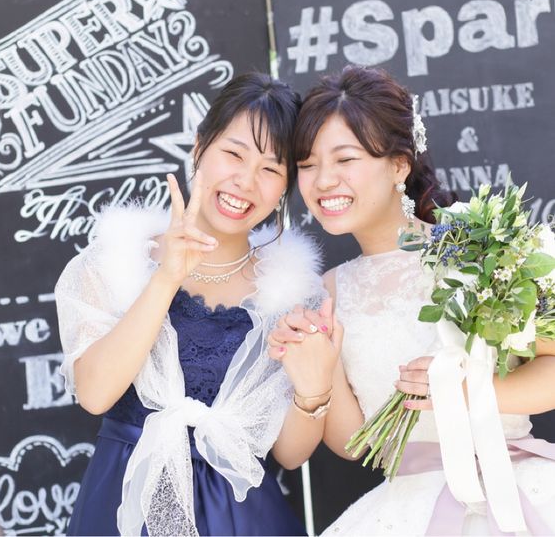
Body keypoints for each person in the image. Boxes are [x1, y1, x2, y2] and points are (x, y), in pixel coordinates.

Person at [268, 65, 555, 535]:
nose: (323, 181)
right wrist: (314, 377)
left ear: (399, 165)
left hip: (519, 489)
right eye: (307, 164)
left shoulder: (483, 252)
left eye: (345, 159)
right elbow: (355, 445)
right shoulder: (328, 292)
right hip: (405, 511)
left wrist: (466, 391)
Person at [55, 72, 329, 536]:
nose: (245, 181)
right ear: (200, 146)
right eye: (234, 154)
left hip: (242, 516)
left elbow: (289, 454)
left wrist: (313, 391)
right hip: (126, 505)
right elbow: (96, 393)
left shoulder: (292, 294)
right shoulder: (115, 263)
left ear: (286, 186)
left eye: (270, 169)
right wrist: (166, 278)